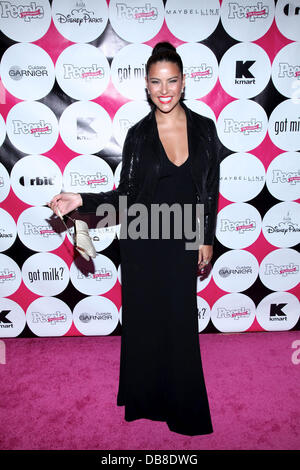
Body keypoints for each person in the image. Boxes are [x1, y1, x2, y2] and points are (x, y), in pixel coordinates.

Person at [49, 42, 221, 436]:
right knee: (144, 322)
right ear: (146, 85)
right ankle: (144, 399)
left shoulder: (205, 129)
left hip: (181, 237)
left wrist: (206, 237)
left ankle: (183, 406)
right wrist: (82, 198)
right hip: (143, 239)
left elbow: (211, 188)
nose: (165, 90)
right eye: (156, 82)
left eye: (172, 81)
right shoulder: (140, 135)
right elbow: (126, 196)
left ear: (183, 82)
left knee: (179, 322)